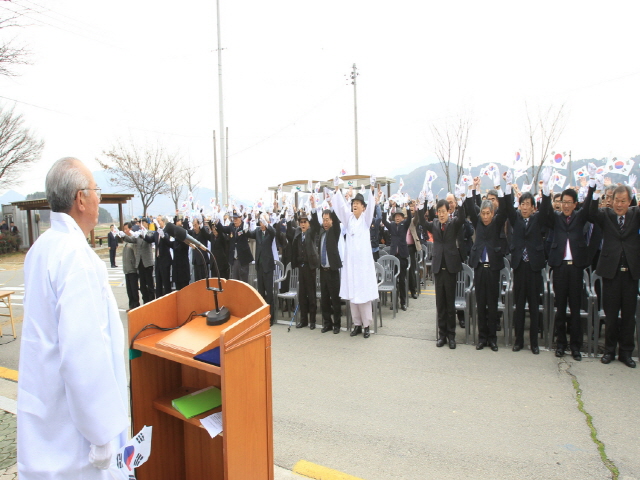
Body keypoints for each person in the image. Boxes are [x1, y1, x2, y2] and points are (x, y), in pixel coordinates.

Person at [18, 157, 128, 479]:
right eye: (96, 190)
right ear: (81, 199)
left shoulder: (42, 248)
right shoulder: (76, 256)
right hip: (77, 433)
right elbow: (84, 351)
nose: (99, 198)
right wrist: (101, 432)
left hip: (47, 408)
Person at [544, 165, 595, 361]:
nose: (565, 205)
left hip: (575, 268)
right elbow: (545, 213)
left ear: (575, 204)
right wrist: (547, 188)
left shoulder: (580, 218)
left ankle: (575, 347)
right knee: (560, 307)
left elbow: (589, 205)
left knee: (575, 308)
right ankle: (561, 344)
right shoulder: (556, 219)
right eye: (563, 202)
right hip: (559, 268)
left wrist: (591, 185)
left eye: (569, 202)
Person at [589, 183, 639, 368]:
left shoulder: (636, 214)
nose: (619, 204)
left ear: (630, 201)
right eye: (616, 200)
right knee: (610, 315)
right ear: (611, 201)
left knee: (628, 315)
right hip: (611, 273)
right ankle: (609, 350)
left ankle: (626, 353)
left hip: (631, 273)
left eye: (623, 201)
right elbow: (590, 214)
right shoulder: (606, 215)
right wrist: (594, 191)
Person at [505, 170, 551, 355]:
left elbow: (546, 208)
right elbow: (508, 208)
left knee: (533, 306)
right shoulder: (515, 220)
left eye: (528, 204)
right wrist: (508, 186)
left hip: (534, 267)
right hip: (519, 267)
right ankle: (518, 341)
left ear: (533, 207)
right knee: (519, 306)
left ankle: (534, 343)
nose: (525, 207)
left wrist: (545, 188)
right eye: (522, 204)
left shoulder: (537, 220)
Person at [419, 187, 466, 349]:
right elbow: (422, 221)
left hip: (451, 268)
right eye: (439, 211)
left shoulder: (453, 224)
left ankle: (452, 336)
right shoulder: (435, 225)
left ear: (448, 211)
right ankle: (442, 335)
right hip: (438, 269)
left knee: (450, 304)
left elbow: (463, 217)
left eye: (444, 211)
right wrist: (423, 203)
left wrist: (460, 200)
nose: (441, 214)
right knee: (440, 304)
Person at [466, 172, 507, 352]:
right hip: (479, 268)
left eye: (488, 213)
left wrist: (499, 187)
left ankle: (492, 338)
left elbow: (505, 210)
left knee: (492, 304)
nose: (485, 216)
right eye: (483, 213)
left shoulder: (497, 223)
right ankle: (482, 338)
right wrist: (473, 189)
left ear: (492, 213)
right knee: (480, 304)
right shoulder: (478, 224)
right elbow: (469, 206)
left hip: (493, 269)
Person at [333, 186, 380, 339]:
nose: (355, 205)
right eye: (354, 203)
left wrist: (371, 192)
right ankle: (357, 324)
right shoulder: (349, 220)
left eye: (358, 203)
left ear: (363, 207)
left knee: (364, 297)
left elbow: (372, 207)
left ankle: (366, 325)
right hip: (351, 265)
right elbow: (340, 208)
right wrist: (337, 191)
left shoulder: (366, 220)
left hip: (363, 266)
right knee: (353, 296)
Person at [311, 197, 343, 334]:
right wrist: (313, 206)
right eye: (323, 219)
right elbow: (313, 222)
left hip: (333, 271)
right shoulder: (322, 232)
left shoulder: (334, 232)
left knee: (335, 299)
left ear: (332, 221)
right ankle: (327, 323)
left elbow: (336, 221)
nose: (325, 222)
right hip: (323, 271)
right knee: (324, 299)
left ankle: (337, 324)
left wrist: (333, 205)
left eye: (327, 219)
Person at [291, 210, 320, 329]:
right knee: (302, 295)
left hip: (310, 268)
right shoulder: (298, 234)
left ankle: (312, 321)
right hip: (301, 267)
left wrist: (313, 211)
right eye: (301, 222)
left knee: (311, 295)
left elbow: (317, 225)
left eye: (305, 222)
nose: (303, 224)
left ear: (308, 223)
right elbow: (289, 232)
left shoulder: (311, 233)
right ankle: (304, 320)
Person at [248, 213, 277, 325]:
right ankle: (262, 317)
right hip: (259, 267)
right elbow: (250, 234)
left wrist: (267, 224)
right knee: (261, 293)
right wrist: (246, 228)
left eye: (263, 222)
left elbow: (274, 232)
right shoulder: (258, 232)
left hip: (268, 267)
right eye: (260, 222)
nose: (261, 224)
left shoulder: (270, 232)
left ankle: (270, 318)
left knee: (269, 293)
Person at [381, 205, 411, 311]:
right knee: (394, 280)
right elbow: (384, 220)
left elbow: (410, 218)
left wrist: (407, 208)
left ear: (402, 218)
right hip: (394, 256)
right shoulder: (392, 226)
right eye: (396, 216)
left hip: (402, 256)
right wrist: (385, 209)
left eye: (399, 216)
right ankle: (394, 302)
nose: (397, 218)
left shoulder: (404, 225)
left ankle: (403, 302)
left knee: (402, 280)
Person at [216, 212, 253, 283]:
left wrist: (246, 230)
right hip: (234, 258)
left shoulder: (244, 226)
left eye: (236, 218)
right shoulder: (231, 226)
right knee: (235, 280)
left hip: (243, 258)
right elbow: (223, 229)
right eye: (234, 218)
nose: (234, 220)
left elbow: (249, 234)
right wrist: (217, 223)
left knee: (243, 280)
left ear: (240, 218)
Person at [121, 222, 140, 310]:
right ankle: (131, 305)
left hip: (132, 268)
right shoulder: (125, 241)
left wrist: (135, 266)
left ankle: (136, 305)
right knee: (129, 289)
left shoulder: (133, 240)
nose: (125, 231)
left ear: (130, 229)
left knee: (134, 288)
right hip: (126, 268)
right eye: (124, 229)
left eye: (126, 229)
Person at [153, 215, 173, 297]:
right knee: (158, 283)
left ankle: (168, 300)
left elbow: (167, 240)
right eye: (157, 221)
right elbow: (150, 239)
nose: (158, 223)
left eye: (159, 221)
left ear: (163, 222)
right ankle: (158, 300)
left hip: (165, 261)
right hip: (158, 260)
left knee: (166, 283)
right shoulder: (156, 232)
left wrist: (163, 236)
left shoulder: (166, 231)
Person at [170, 218, 191, 290]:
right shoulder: (175, 242)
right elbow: (170, 244)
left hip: (183, 271)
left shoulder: (184, 241)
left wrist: (184, 224)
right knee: (178, 290)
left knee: (185, 290)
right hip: (177, 271)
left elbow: (180, 245)